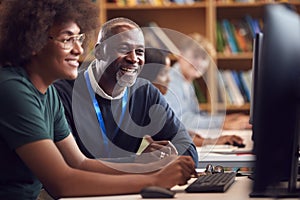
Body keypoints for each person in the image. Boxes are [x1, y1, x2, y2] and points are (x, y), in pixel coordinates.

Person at [0, 1, 196, 199]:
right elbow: (62, 182)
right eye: (67, 39)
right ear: (35, 41)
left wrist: (151, 165)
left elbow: (81, 163)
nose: (79, 50)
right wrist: (155, 180)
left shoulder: (47, 93)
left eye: (79, 39)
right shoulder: (12, 89)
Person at [54, 17, 198, 165]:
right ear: (98, 52)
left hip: (132, 186)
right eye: (124, 49)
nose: (134, 58)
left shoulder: (145, 92)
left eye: (140, 51)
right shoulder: (61, 94)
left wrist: (161, 157)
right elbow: (68, 166)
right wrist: (137, 163)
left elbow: (188, 149)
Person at [164, 33, 252, 147]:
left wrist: (229, 119)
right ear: (181, 55)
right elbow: (181, 121)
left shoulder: (186, 82)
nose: (200, 63)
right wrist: (222, 124)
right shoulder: (170, 81)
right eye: (195, 56)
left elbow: (195, 115)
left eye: (204, 58)